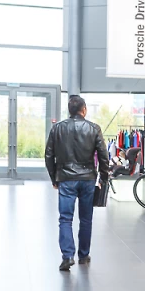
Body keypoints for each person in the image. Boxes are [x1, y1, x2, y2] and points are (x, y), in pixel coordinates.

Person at [45, 95, 109, 271]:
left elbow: (49, 155)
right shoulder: (94, 128)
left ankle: (67, 256)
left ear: (69, 110)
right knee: (86, 219)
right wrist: (103, 178)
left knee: (65, 218)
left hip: (66, 178)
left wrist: (54, 178)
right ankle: (83, 255)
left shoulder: (57, 129)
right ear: (84, 109)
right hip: (88, 178)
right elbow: (103, 156)